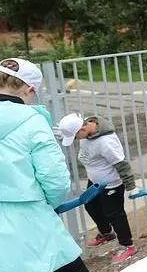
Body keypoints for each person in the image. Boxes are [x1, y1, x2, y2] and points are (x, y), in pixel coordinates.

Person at [0, 58, 90, 272]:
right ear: (29, 88)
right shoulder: (31, 119)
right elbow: (55, 180)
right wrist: (49, 204)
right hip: (26, 216)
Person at [57, 113, 137, 263]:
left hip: (110, 184)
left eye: (75, 137)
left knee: (115, 214)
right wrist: (66, 132)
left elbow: (122, 164)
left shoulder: (106, 142)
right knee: (91, 206)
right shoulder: (86, 130)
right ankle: (107, 233)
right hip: (95, 181)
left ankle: (128, 245)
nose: (75, 141)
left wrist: (131, 186)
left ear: (82, 129)